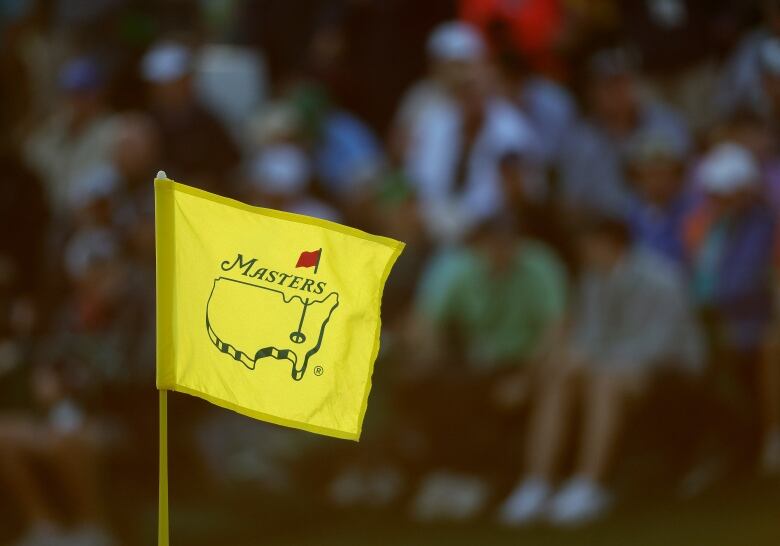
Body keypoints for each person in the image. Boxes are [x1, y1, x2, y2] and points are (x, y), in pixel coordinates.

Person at [500, 215, 702, 526]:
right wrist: (576, 358)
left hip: (672, 371)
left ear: (611, 244)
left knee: (603, 380)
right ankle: (537, 482)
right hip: (616, 367)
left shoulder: (660, 278)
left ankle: (589, 484)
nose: (583, 253)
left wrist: (598, 361)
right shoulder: (593, 278)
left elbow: (663, 343)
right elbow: (591, 336)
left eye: (588, 246)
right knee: (561, 376)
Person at [402, 214, 567, 520]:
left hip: (526, 361)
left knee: (541, 384)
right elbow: (426, 320)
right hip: (477, 364)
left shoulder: (540, 264)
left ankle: (526, 483)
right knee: (437, 387)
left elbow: (555, 332)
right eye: (494, 244)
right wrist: (425, 355)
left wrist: (526, 379)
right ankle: (453, 476)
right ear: (480, 245)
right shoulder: (457, 268)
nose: (501, 251)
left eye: (508, 243)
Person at [401, 23, 540, 243]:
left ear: (489, 89)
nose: (470, 96)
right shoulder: (436, 120)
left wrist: (469, 224)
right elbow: (420, 178)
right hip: (436, 219)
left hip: (487, 227)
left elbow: (515, 195)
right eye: (464, 89)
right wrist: (429, 215)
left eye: (476, 88)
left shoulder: (514, 131)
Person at [685, 142, 777, 472]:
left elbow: (741, 285)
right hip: (716, 323)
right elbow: (699, 279)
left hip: (754, 321)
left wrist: (709, 304)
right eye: (714, 194)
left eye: (724, 194)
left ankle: (752, 439)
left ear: (744, 190)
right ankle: (724, 445)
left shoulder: (763, 224)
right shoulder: (711, 226)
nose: (718, 201)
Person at [558, 47, 690, 218]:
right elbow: (571, 203)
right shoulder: (579, 140)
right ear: (592, 92)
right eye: (608, 86)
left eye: (623, 83)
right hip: (608, 229)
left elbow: (688, 181)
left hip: (668, 220)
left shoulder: (665, 122)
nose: (618, 93)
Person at [141, 40, 241, 193]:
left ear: (187, 81)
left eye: (170, 83)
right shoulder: (147, 124)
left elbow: (230, 167)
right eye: (159, 85)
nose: (165, 91)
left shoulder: (209, 122)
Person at [625, 129, 696, 267]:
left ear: (677, 177)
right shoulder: (629, 216)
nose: (658, 182)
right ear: (638, 179)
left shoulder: (691, 213)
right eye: (651, 175)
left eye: (664, 174)